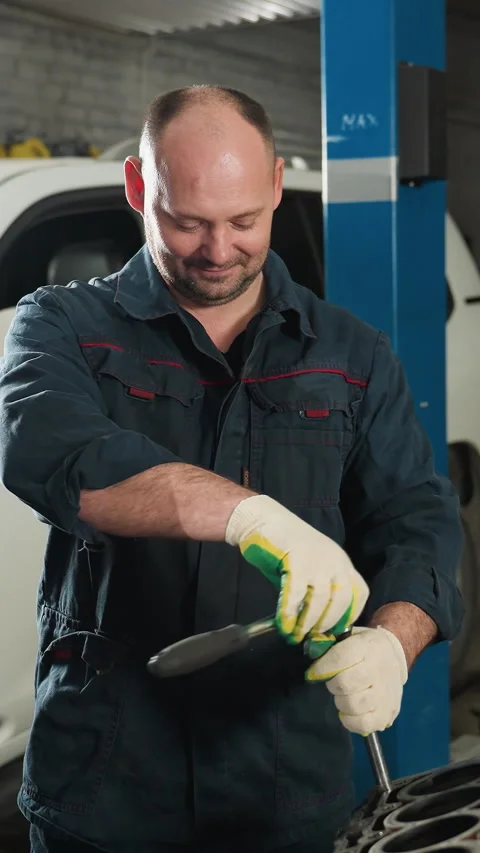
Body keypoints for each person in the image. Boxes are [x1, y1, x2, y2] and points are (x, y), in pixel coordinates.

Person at [0, 86, 463, 853]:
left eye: (244, 220)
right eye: (188, 222)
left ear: (276, 185)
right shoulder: (61, 326)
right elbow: (56, 454)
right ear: (138, 187)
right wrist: (250, 515)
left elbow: (416, 519)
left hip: (283, 793)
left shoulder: (351, 355)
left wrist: (393, 639)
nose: (218, 250)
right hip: (106, 791)